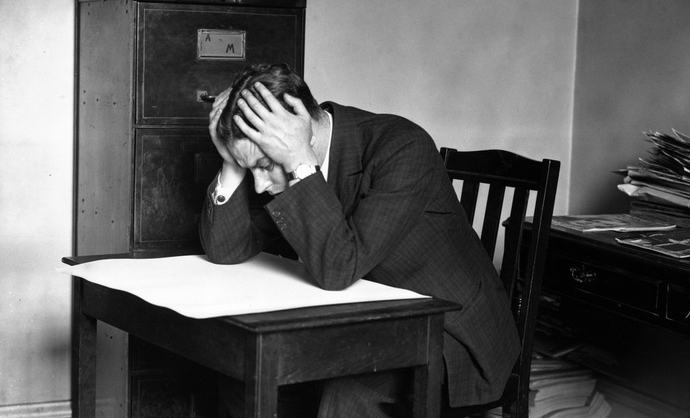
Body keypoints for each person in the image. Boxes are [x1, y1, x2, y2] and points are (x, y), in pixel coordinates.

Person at [200, 62, 520, 418]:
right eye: (250, 169)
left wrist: (299, 163)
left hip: (450, 334)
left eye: (262, 165)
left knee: (349, 390)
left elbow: (338, 269)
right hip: (361, 319)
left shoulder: (402, 147)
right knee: (245, 370)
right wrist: (232, 165)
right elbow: (226, 251)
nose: (259, 185)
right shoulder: (278, 159)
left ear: (299, 127)